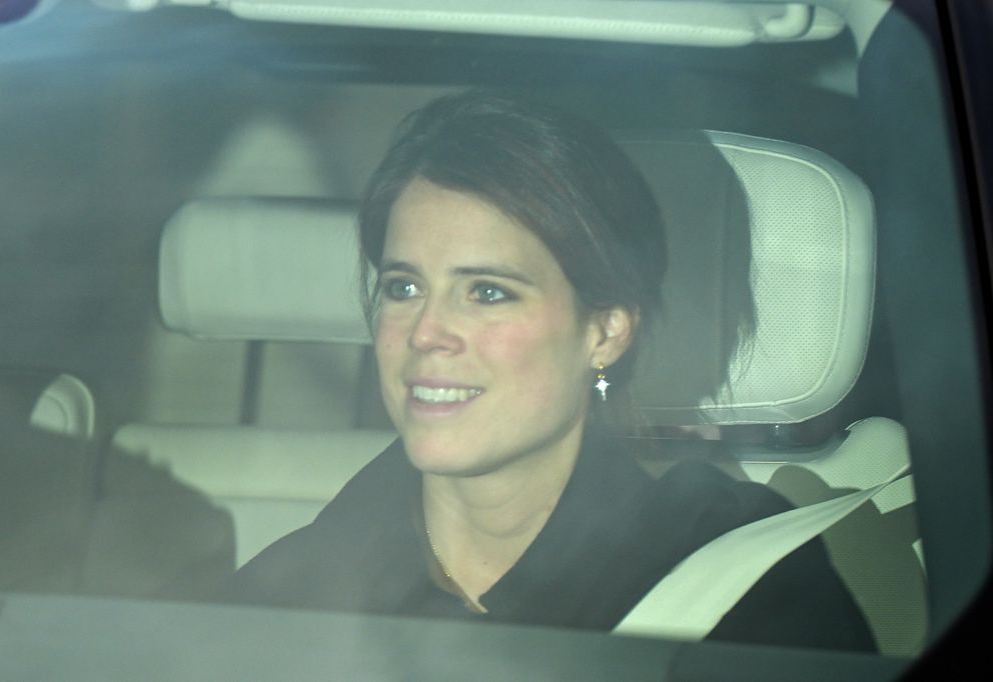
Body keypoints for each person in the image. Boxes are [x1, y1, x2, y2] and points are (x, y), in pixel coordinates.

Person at [224, 90, 875, 651]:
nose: (425, 332)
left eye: (487, 292)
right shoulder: (285, 594)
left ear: (605, 330)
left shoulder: (747, 591)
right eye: (402, 288)